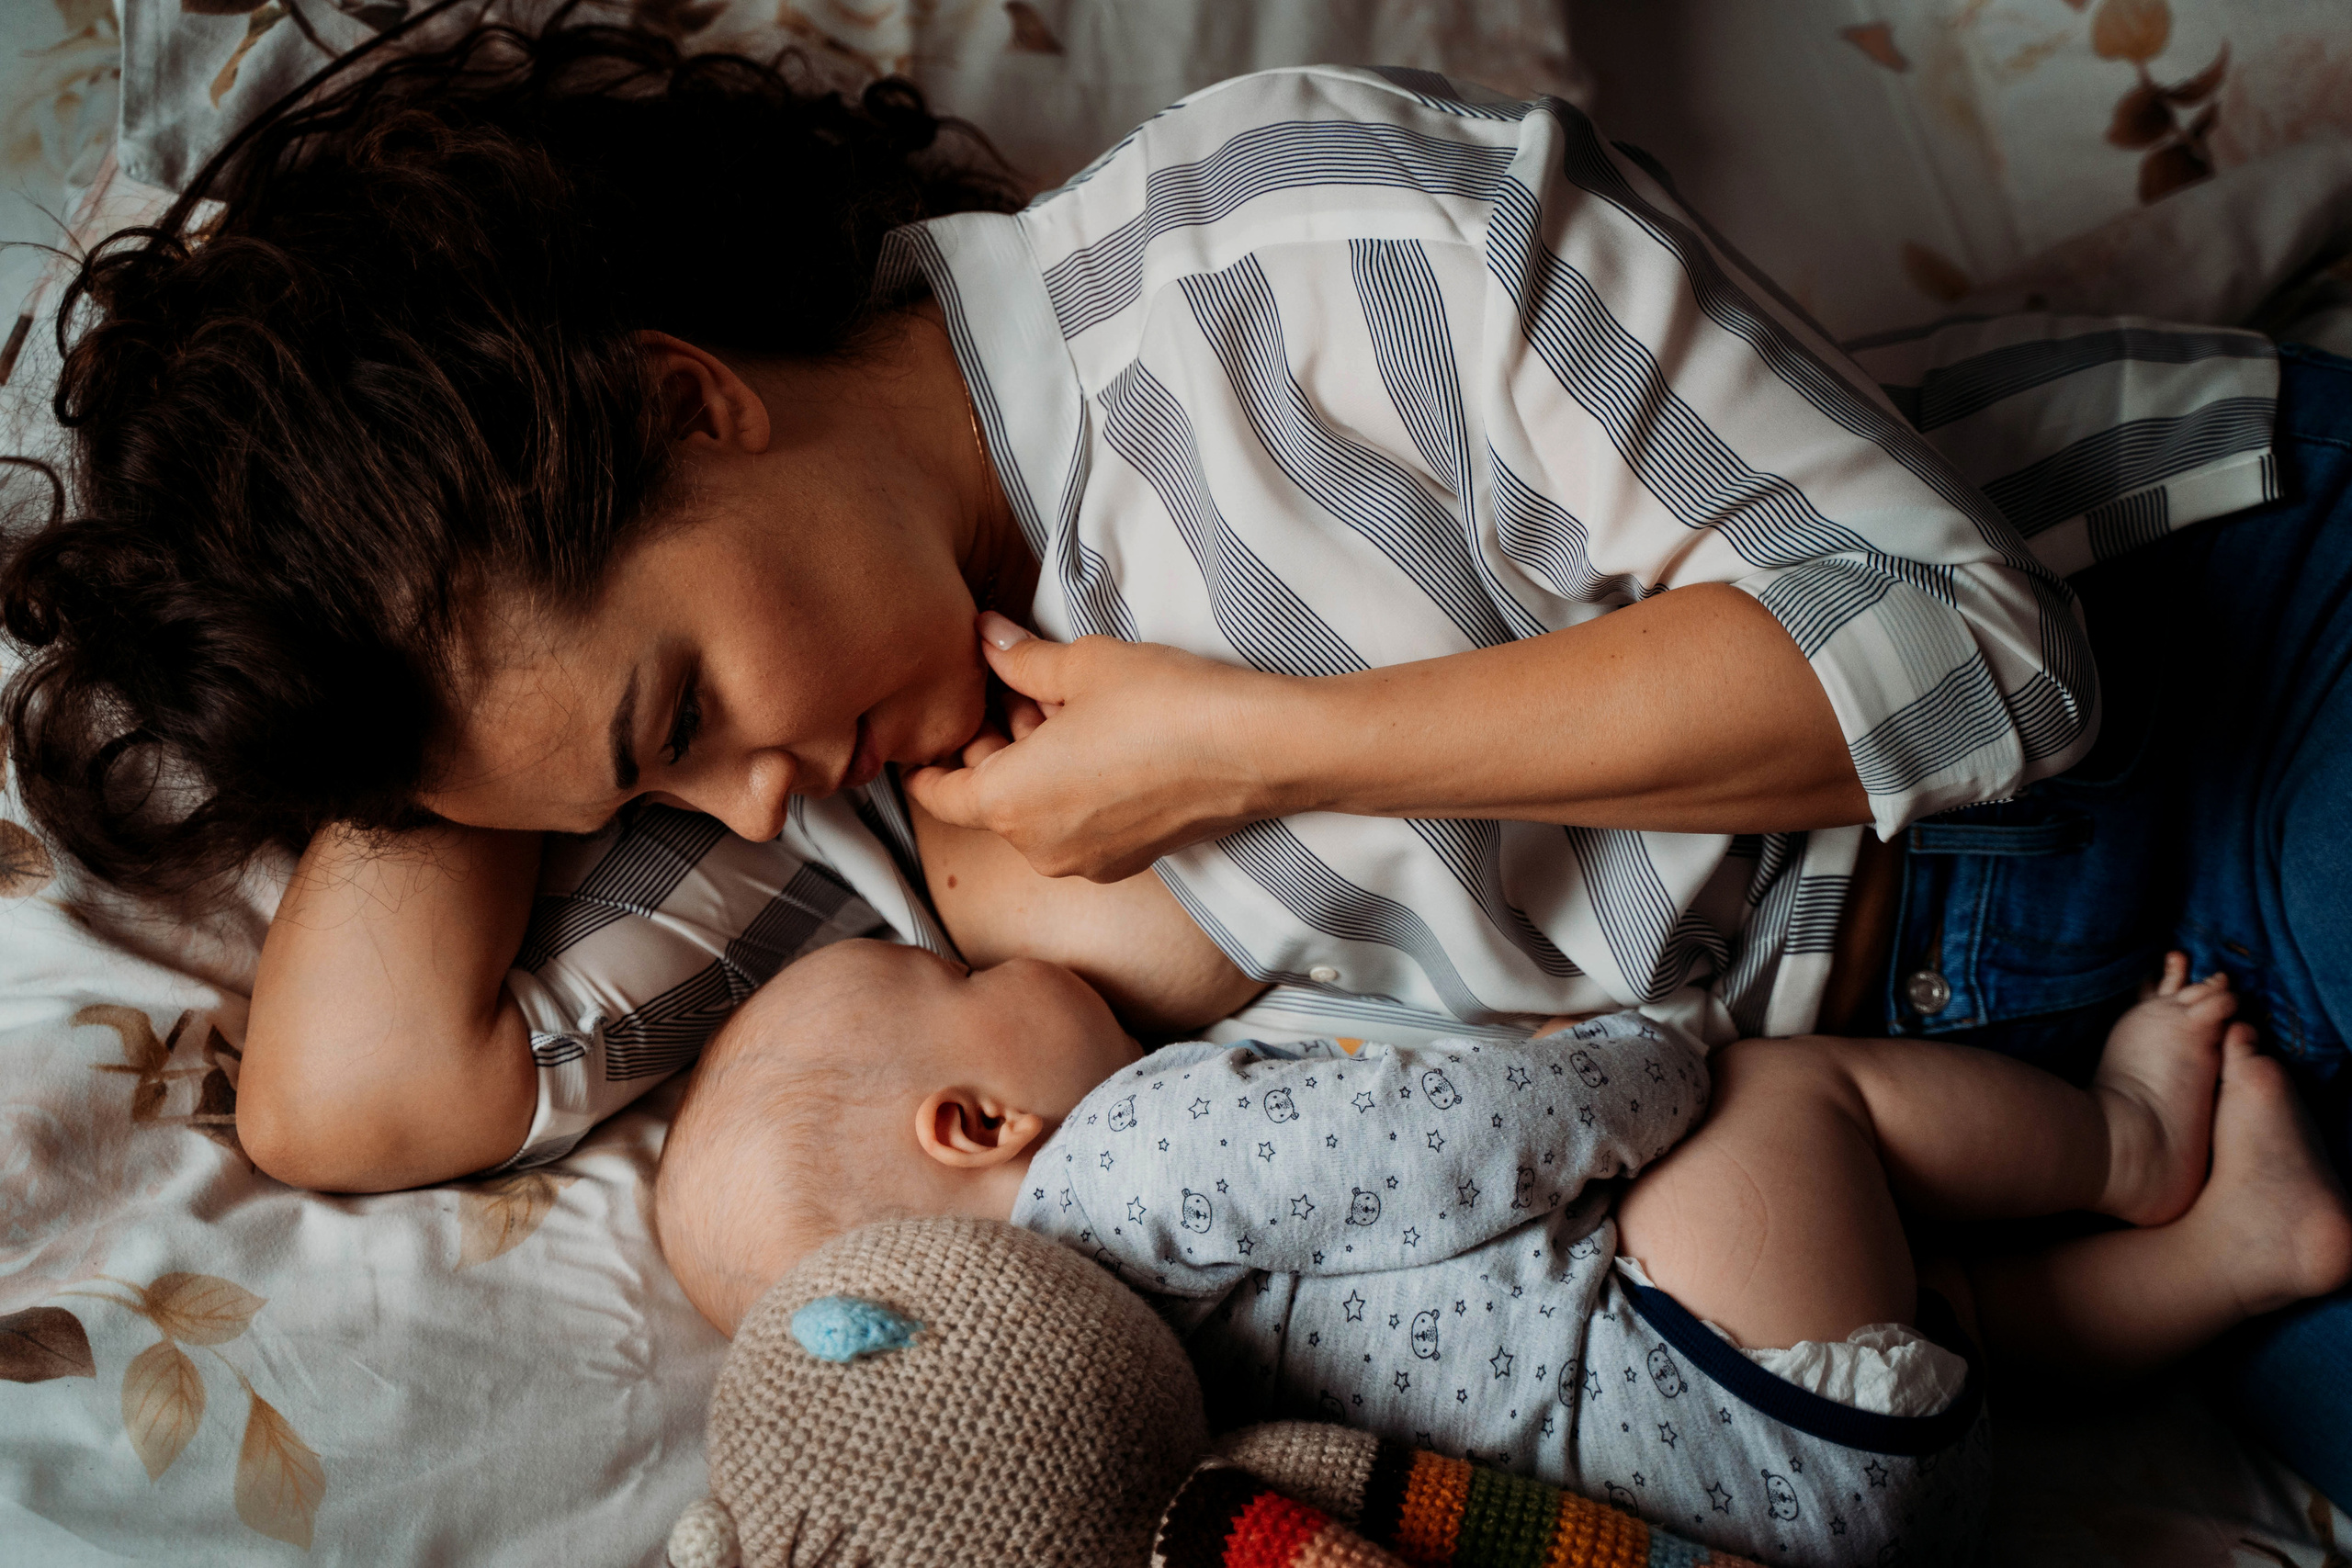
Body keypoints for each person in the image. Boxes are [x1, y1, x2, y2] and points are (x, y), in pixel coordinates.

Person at [2, 9, 2343, 1497]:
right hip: (2010, 1103)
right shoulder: (837, 808)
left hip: (2209, 673)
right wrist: (335, 606)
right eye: (630, 797)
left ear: (680, 394)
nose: (727, 798)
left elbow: (1969, 660)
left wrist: (1267, 751)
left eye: (672, 712)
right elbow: (356, 1095)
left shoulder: (1291, 250)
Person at [650, 937, 2352, 1566]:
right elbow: (1444, 1146)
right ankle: (2130, 1146)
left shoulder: (1148, 1404)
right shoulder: (1130, 1156)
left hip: (1772, 1492)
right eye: (960, 971)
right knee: (1786, 1101)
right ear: (975, 1119)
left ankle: (2242, 1258)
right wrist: (1641, 1052)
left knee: (1944, 1296)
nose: (995, 953)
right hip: (1713, 1356)